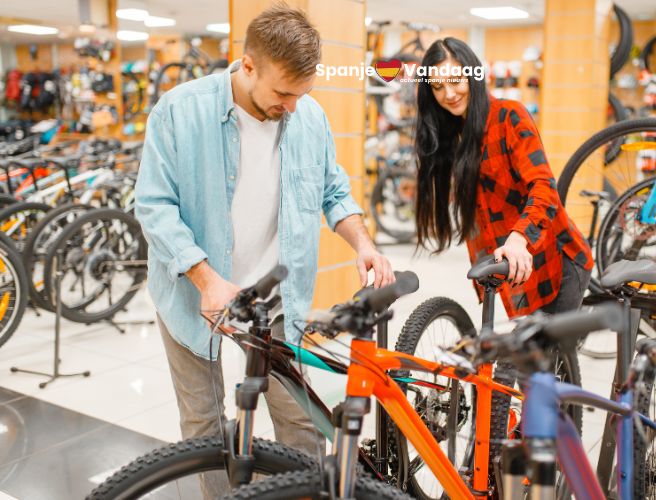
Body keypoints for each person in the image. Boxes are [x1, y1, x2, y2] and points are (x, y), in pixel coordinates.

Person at [134, 4, 394, 497]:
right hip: (195, 296)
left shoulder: (308, 116)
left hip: (277, 297)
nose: (292, 106)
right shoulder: (179, 110)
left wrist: (363, 244)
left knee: (298, 420)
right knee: (204, 427)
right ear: (247, 66)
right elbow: (153, 207)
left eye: (302, 93)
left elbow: (333, 190)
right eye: (282, 93)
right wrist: (207, 280)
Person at [414, 37, 593, 318]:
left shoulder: (509, 116)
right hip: (514, 268)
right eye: (438, 87)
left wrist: (519, 238)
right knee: (538, 357)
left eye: (456, 80)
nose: (449, 94)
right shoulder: (452, 134)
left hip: (554, 262)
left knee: (535, 358)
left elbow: (544, 186)